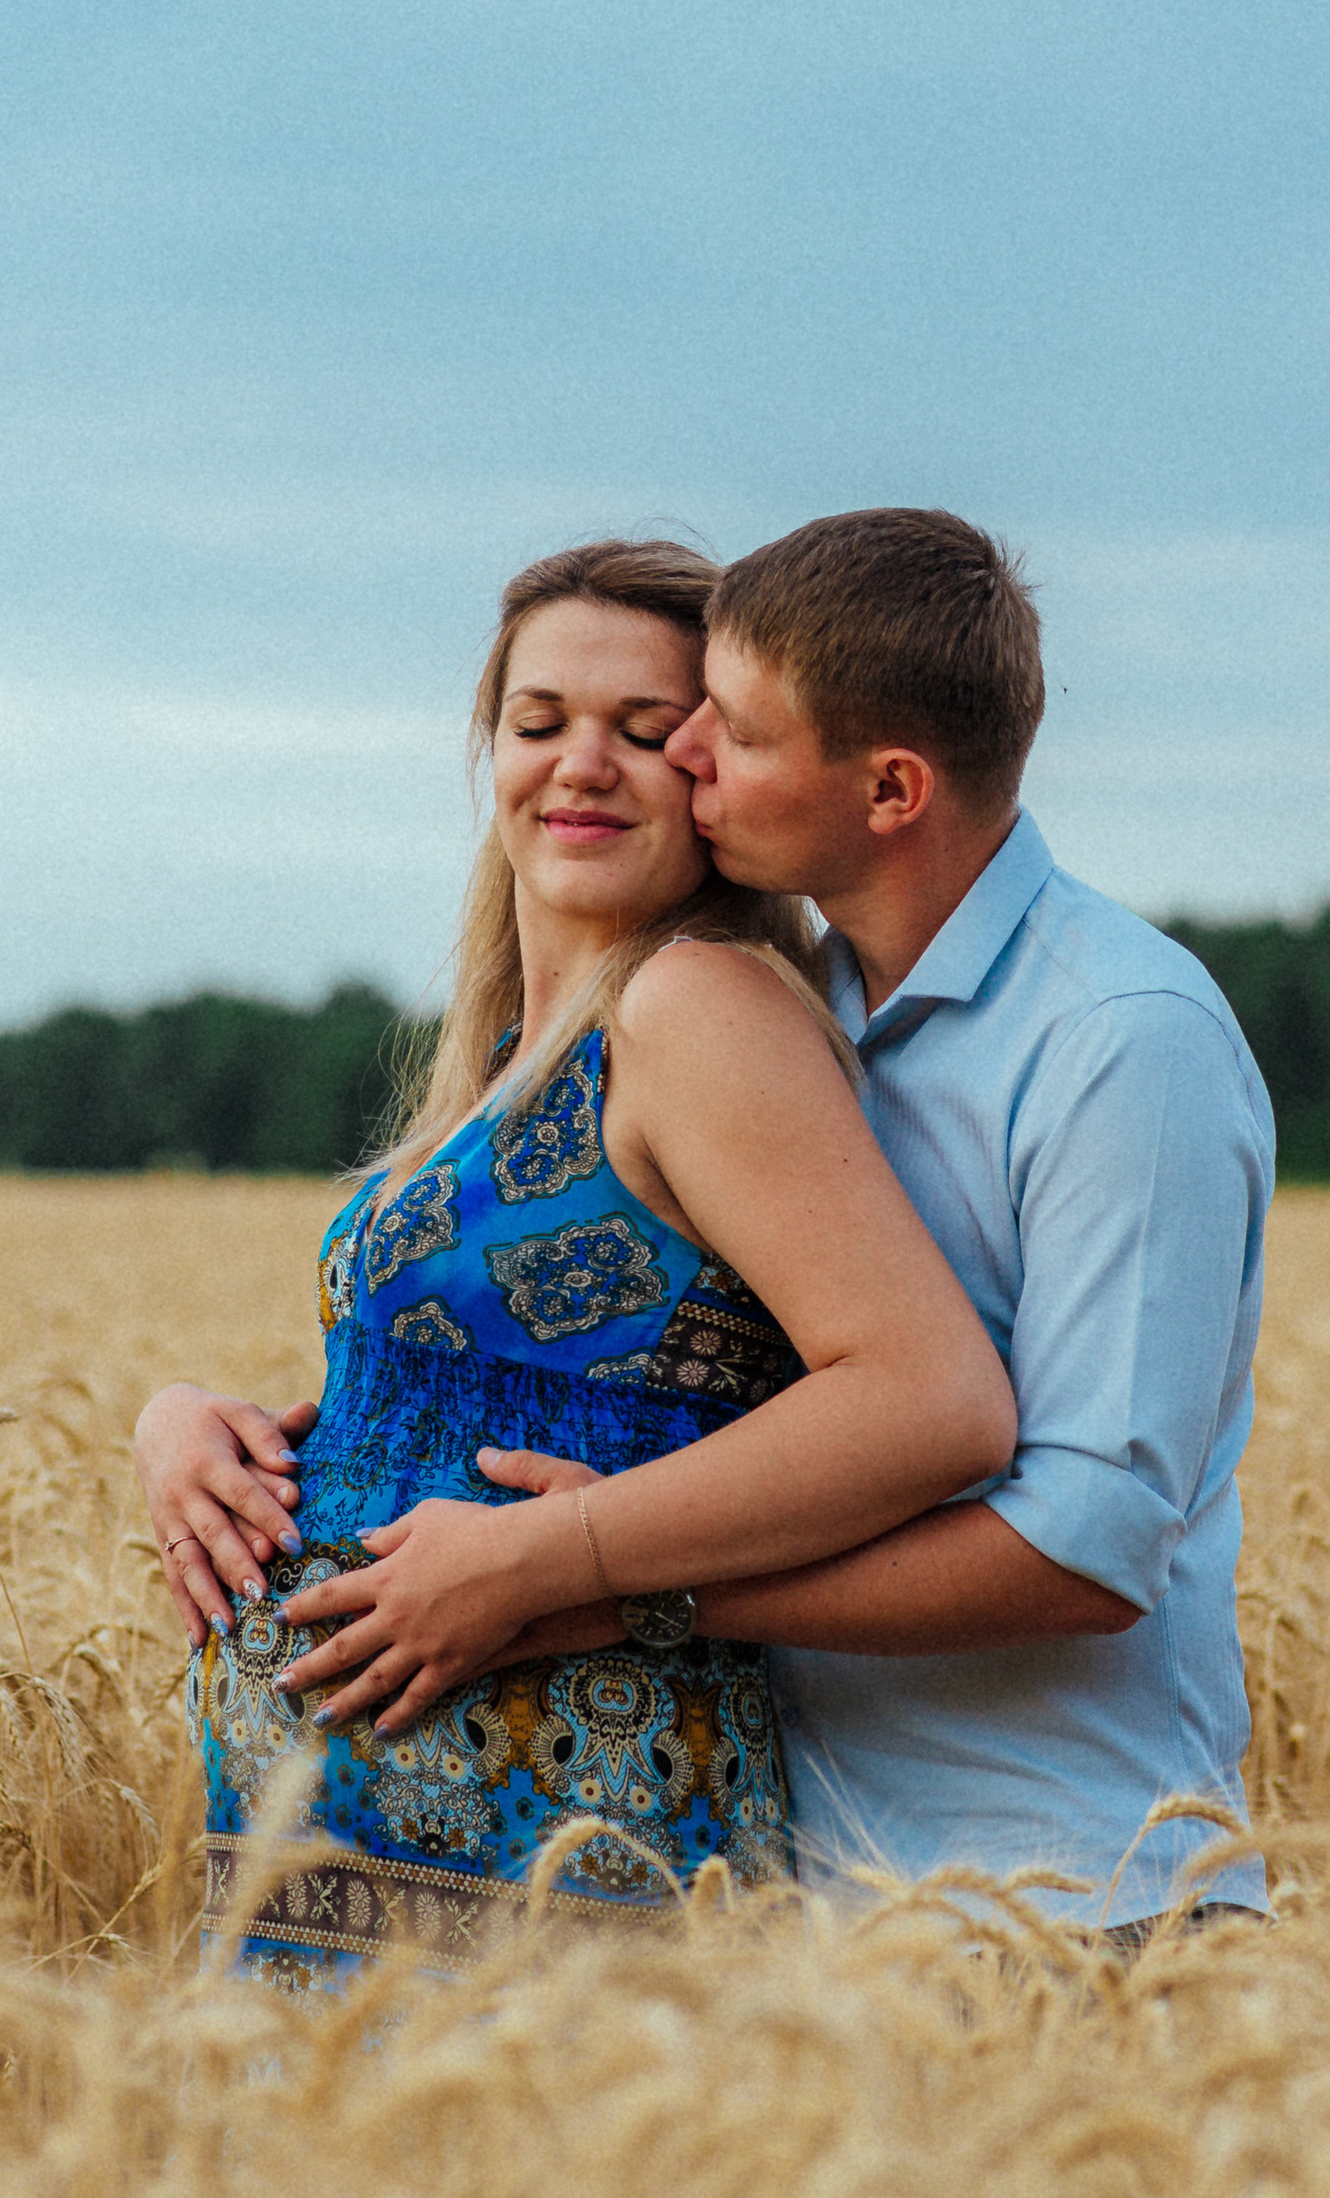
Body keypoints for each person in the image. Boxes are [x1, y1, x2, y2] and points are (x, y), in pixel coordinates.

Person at [223, 508, 1276, 1947]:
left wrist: (602, 1587)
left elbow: (1084, 1540)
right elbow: (605, 1394)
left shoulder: (1118, 1039)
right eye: (542, 719)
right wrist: (216, 1440)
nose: (685, 759)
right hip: (803, 1873)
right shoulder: (805, 1010)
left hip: (1064, 1883)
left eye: (707, 728)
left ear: (891, 786)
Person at [135, 538, 1013, 1984]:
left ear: (714, 773)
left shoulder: (696, 1004)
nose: (582, 764)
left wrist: (549, 1559)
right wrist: (185, 1422)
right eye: (540, 723)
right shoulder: (501, 1062)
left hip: (562, 1870)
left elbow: (931, 1397)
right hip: (347, 1879)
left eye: (645, 731)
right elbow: (476, 1398)